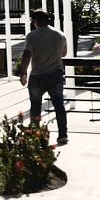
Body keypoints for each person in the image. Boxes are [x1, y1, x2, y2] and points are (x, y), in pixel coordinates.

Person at [18, 9, 69, 145]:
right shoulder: (60, 35)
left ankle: (36, 135)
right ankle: (63, 134)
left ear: (35, 22)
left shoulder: (32, 36)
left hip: (37, 76)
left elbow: (27, 54)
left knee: (35, 106)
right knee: (59, 105)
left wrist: (23, 73)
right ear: (48, 20)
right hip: (56, 75)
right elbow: (64, 54)